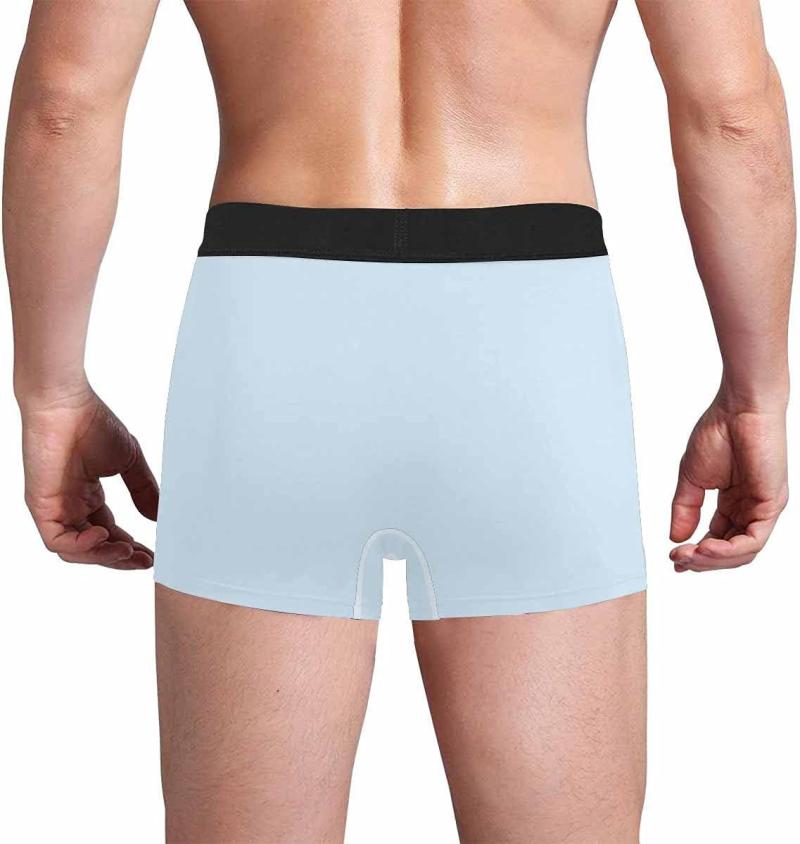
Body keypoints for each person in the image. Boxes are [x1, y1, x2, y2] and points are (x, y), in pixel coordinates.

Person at [4, 1, 792, 841]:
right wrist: (756, 395)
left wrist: (50, 393)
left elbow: (64, 106)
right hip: (531, 338)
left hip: (270, 329)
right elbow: (731, 114)